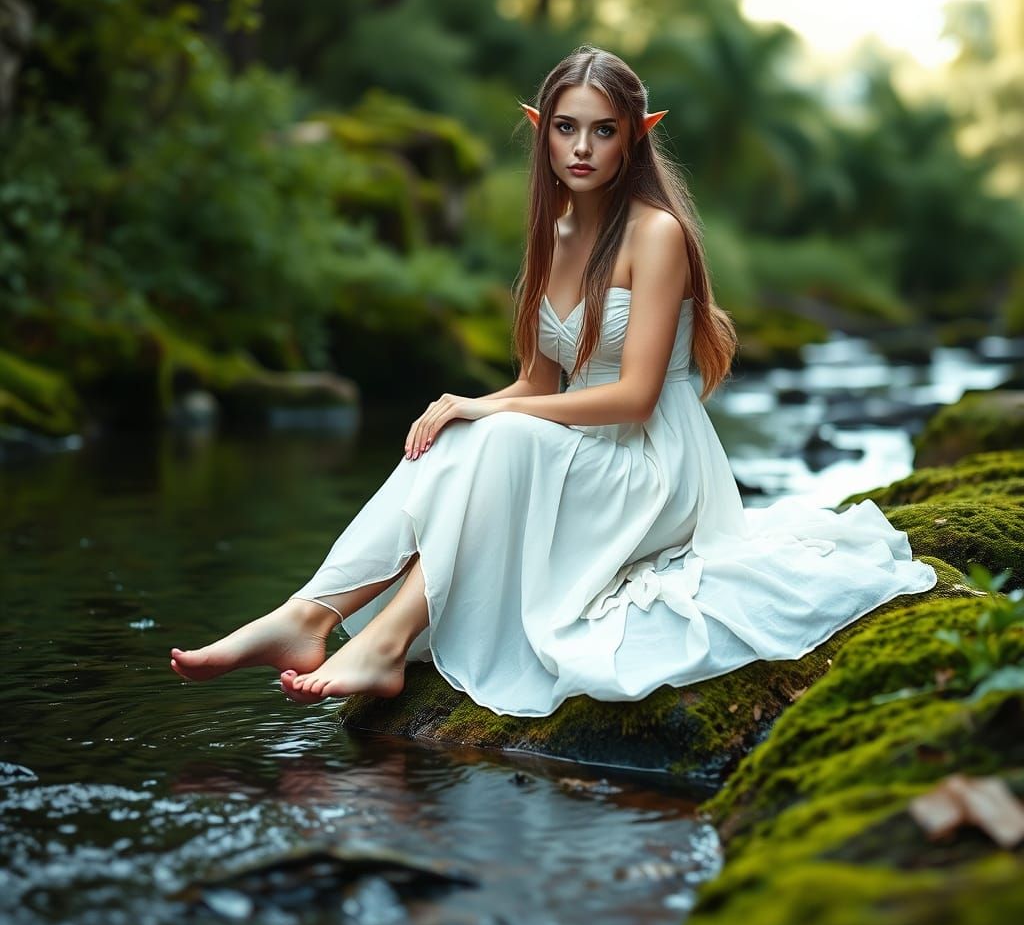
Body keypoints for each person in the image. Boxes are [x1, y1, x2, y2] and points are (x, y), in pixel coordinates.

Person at [170, 44, 937, 716]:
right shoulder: (554, 233)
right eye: (566, 128)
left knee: (497, 437)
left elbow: (635, 397)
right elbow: (537, 381)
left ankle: (381, 641)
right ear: (541, 129)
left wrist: (494, 416)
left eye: (604, 130)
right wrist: (466, 405)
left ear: (637, 134)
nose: (582, 147)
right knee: (455, 438)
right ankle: (311, 616)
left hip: (654, 463)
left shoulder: (657, 234)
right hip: (580, 445)